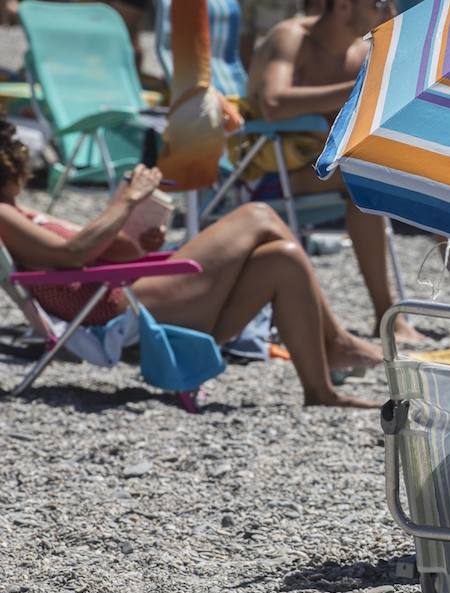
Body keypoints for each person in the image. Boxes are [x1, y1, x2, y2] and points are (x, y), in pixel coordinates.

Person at [0, 123, 382, 408]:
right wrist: (128, 201)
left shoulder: (17, 212)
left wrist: (137, 238)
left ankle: (319, 390)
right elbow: (71, 256)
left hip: (124, 294)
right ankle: (335, 343)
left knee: (282, 259)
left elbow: (95, 252)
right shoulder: (3, 214)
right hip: (117, 306)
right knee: (258, 215)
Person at [246, 0, 423, 344]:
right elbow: (273, 103)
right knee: (362, 177)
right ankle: (387, 315)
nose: (390, 7)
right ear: (343, 6)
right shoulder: (293, 38)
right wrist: (358, 89)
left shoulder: (363, 51)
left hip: (318, 172)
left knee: (431, 172)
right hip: (266, 175)